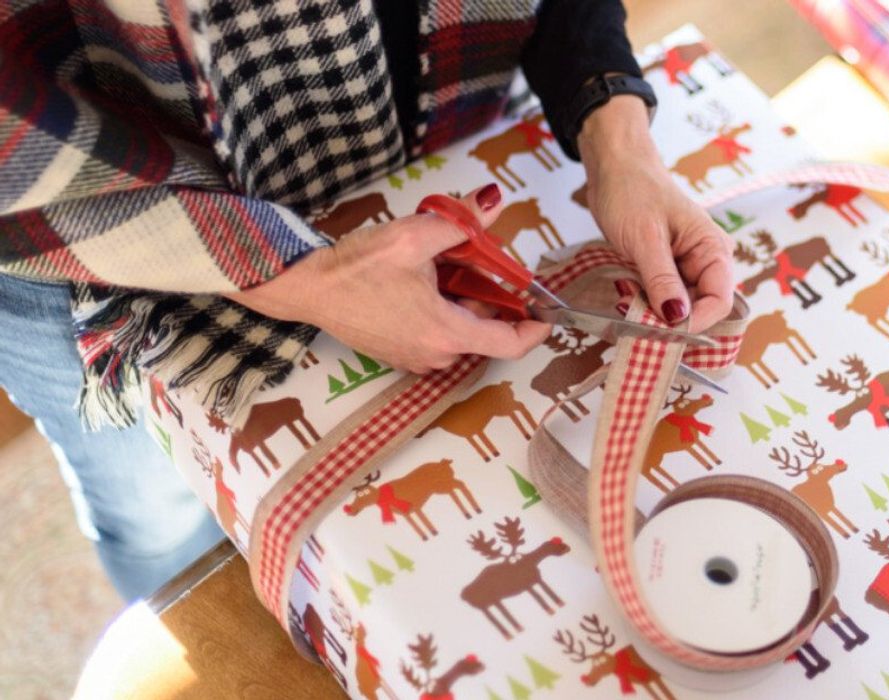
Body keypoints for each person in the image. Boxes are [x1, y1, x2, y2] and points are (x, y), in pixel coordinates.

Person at [0, 0, 734, 602]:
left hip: (445, 125)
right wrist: (298, 277)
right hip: (91, 240)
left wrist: (616, 136)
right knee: (155, 522)